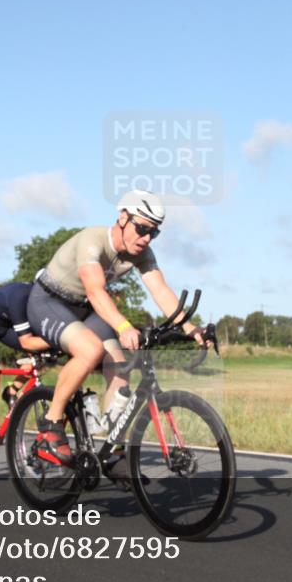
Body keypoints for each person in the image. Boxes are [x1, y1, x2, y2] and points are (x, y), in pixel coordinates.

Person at [26, 190, 209, 476]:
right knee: (90, 350)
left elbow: (160, 290)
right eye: (142, 228)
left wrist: (190, 327)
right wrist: (123, 327)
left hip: (83, 309)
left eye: (154, 232)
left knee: (121, 365)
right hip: (48, 301)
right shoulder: (92, 240)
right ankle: (51, 424)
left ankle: (113, 452)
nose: (147, 238)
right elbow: (95, 289)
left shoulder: (142, 253)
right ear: (123, 218)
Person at [0, 282, 51, 470]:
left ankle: (11, 391)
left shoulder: (42, 304)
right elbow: (27, 342)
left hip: (4, 328)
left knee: (41, 358)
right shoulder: (20, 297)